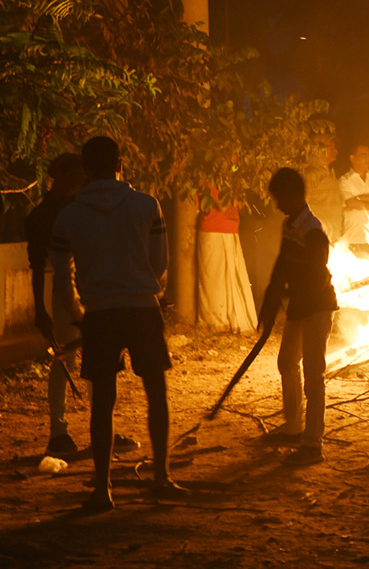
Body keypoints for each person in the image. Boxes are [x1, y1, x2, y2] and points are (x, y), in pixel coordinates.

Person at [49, 136, 184, 511]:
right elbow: (159, 265)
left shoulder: (70, 215)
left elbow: (62, 277)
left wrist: (79, 315)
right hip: (142, 306)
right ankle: (161, 476)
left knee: (103, 402)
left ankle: (103, 489)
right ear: (121, 163)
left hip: (100, 312)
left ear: (86, 170)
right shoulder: (146, 205)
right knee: (156, 393)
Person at [27, 154, 140, 456]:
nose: (82, 182)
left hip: (92, 290)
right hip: (69, 293)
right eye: (76, 177)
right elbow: (37, 267)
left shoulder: (78, 207)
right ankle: (59, 433)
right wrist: (41, 309)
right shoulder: (47, 216)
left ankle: (100, 430)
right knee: (65, 359)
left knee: (96, 359)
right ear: (62, 178)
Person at [258, 168, 340, 466]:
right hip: (299, 307)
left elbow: (317, 274)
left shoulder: (313, 230)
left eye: (280, 198)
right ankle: (293, 428)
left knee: (314, 374)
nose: (277, 205)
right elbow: (282, 265)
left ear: (295, 197)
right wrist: (271, 302)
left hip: (317, 308)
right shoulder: (289, 225)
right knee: (286, 363)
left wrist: (290, 294)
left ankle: (312, 444)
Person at [197, 187, 256, 334]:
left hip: (230, 231)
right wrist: (235, 200)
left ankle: (230, 320)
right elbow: (223, 205)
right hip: (214, 232)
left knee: (231, 279)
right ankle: (214, 322)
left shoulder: (231, 182)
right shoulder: (211, 180)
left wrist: (236, 201)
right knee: (214, 281)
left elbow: (240, 206)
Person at [339, 142, 369, 255]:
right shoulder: (344, 180)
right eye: (364, 155)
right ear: (353, 158)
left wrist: (358, 198)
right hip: (354, 240)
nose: (368, 159)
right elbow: (351, 203)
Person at [303, 136, 343, 243]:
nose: (335, 151)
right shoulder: (312, 174)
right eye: (330, 148)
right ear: (318, 150)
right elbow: (302, 205)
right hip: (318, 236)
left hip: (334, 235)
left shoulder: (331, 174)